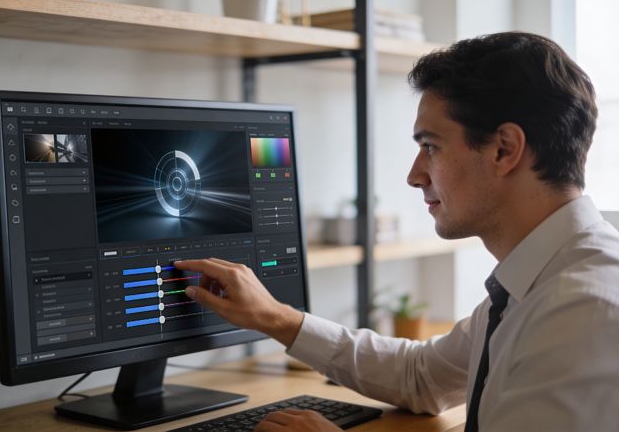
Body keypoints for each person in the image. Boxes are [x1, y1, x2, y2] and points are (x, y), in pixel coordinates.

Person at [175, 32, 619, 432]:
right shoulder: (539, 279)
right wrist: (275, 317)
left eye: (430, 146)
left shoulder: (581, 309)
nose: (414, 175)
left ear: (504, 149)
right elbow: (422, 377)